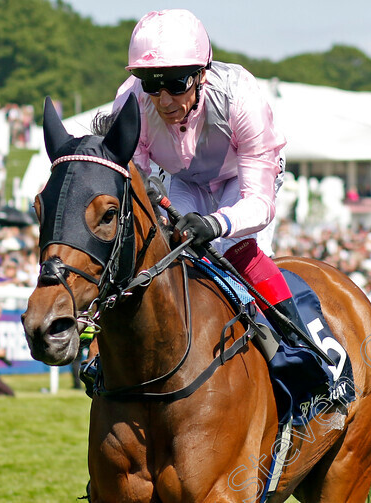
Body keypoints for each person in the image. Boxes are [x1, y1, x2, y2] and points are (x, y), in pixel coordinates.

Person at [113, 9, 309, 341]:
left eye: (176, 84)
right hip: (185, 178)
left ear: (202, 75)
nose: (163, 100)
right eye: (152, 85)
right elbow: (134, 188)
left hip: (242, 177)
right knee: (170, 248)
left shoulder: (240, 96)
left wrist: (215, 223)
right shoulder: (131, 102)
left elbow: (258, 204)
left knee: (234, 248)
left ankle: (303, 349)